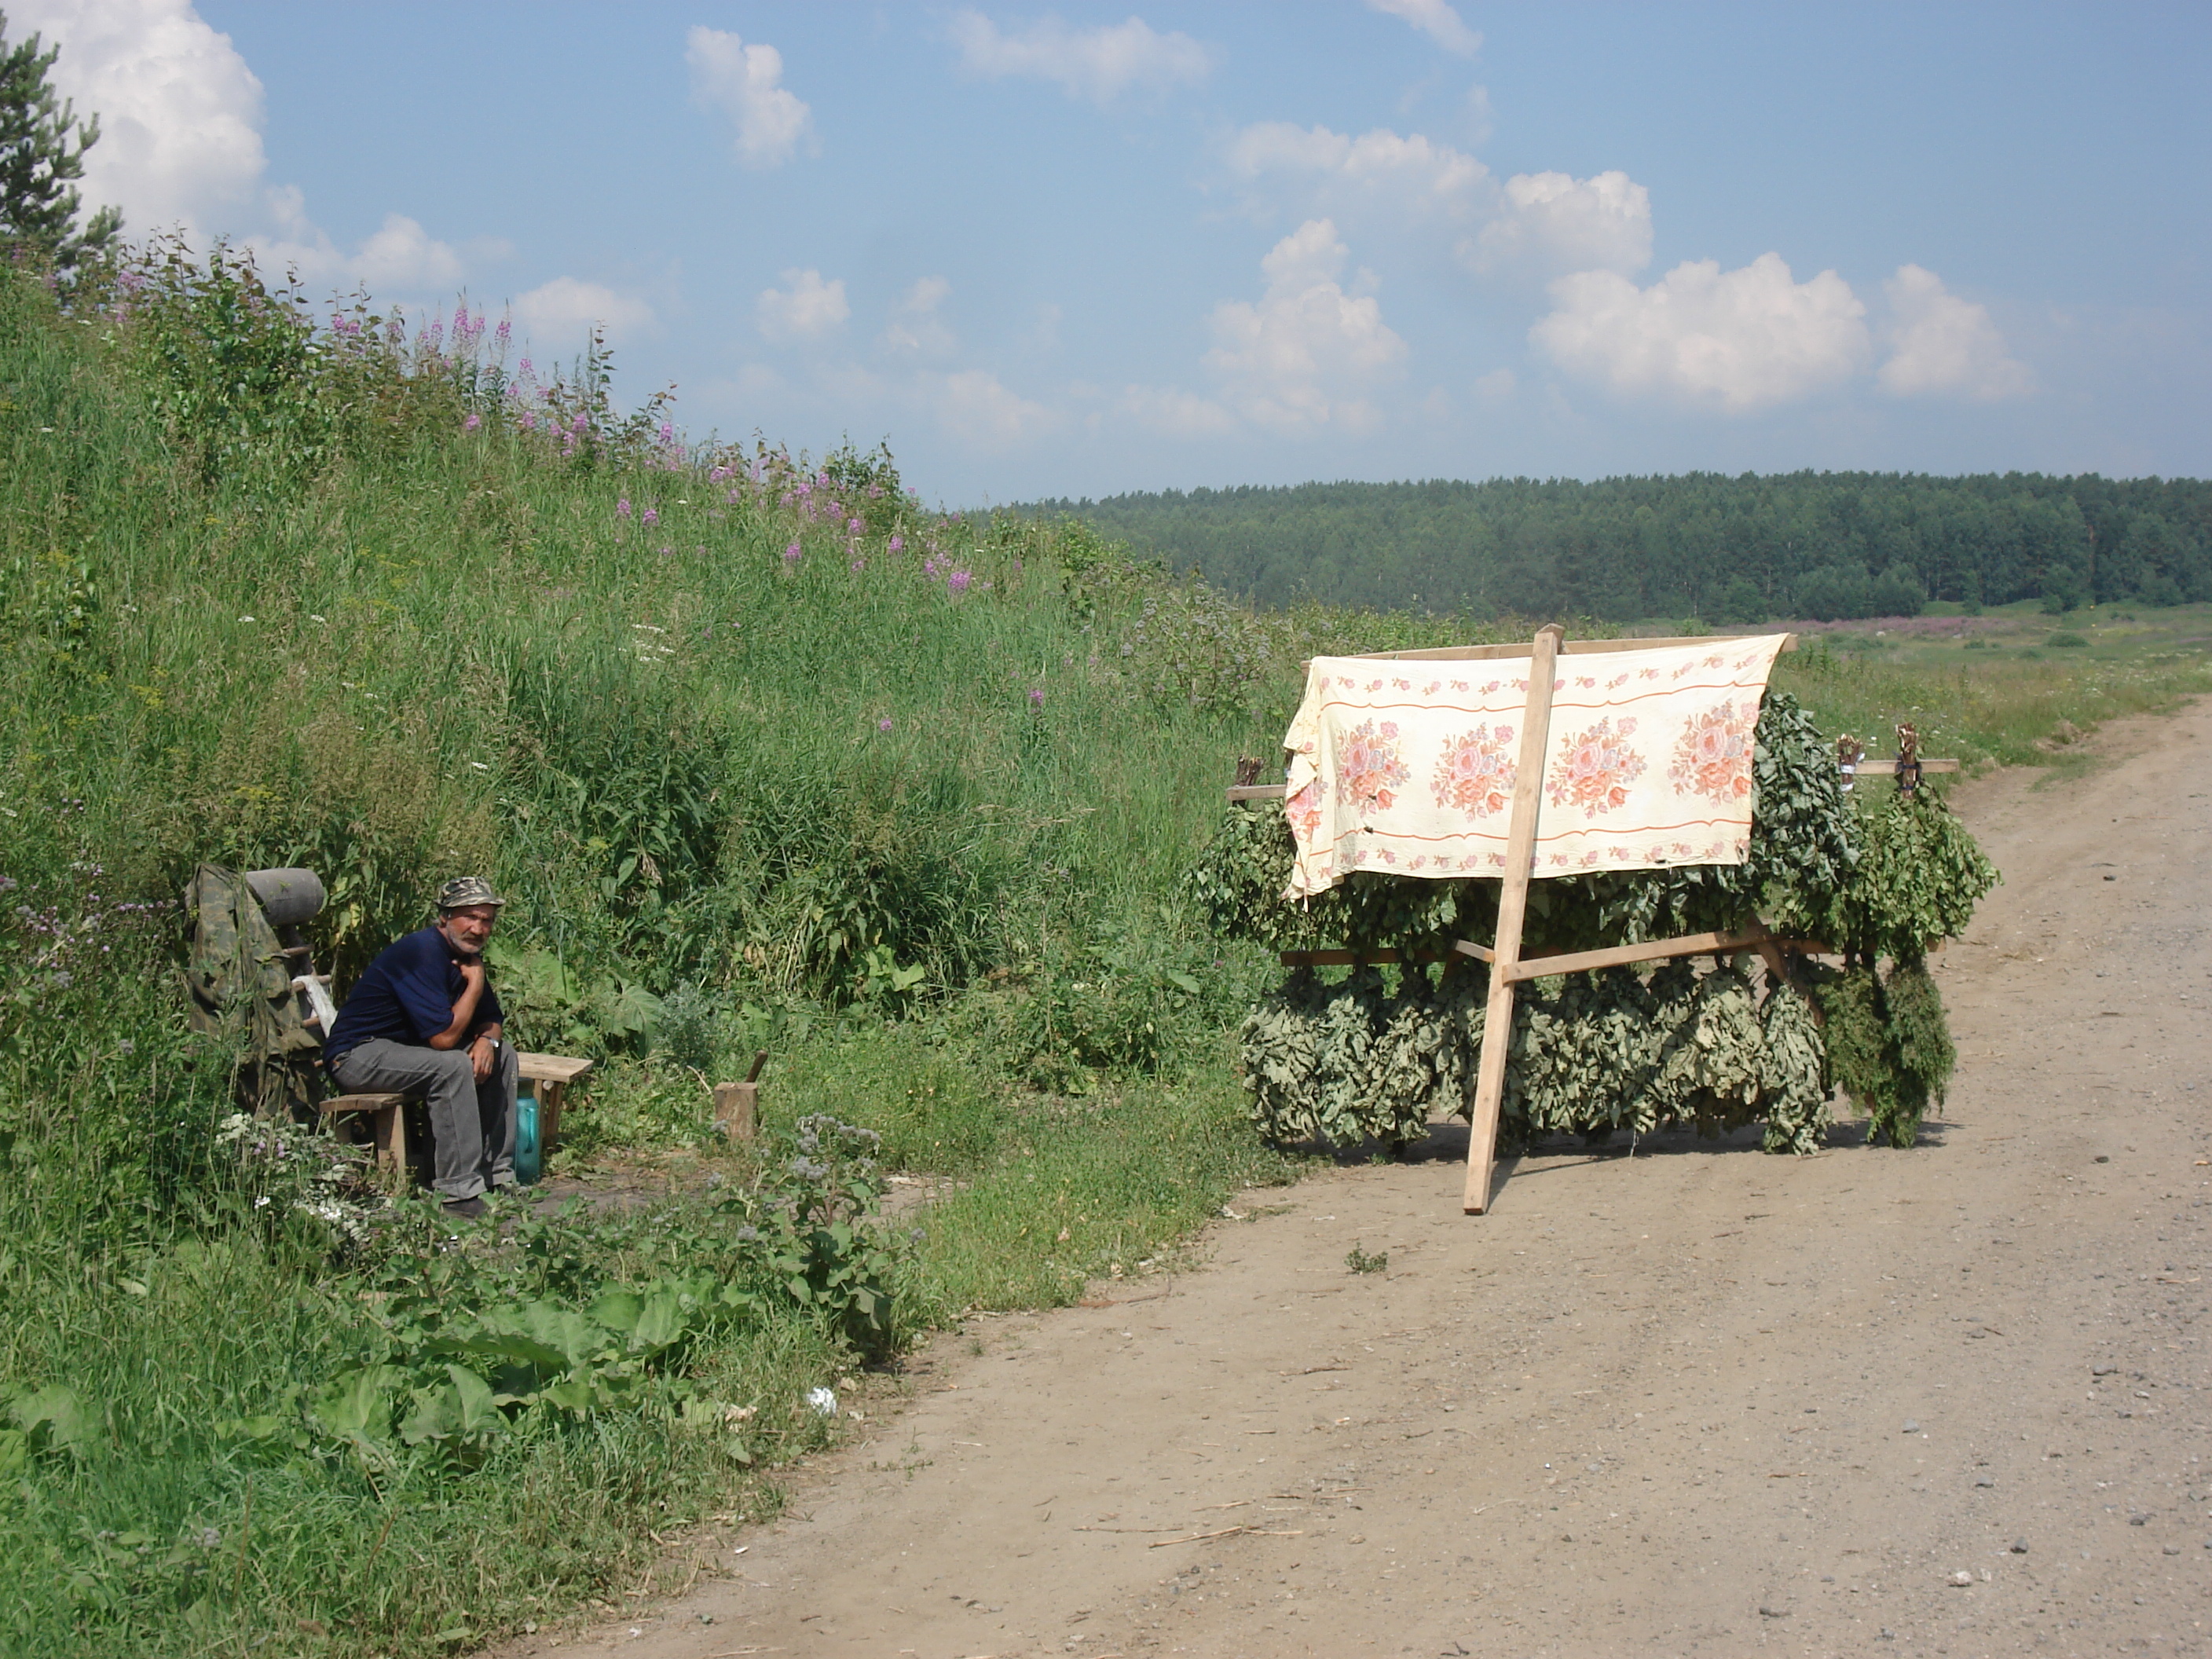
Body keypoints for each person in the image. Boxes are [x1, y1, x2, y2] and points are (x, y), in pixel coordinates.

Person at [324, 877, 518, 1219]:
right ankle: (458, 1194)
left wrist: (489, 1041)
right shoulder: (420, 953)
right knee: (453, 1065)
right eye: (469, 917)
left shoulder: (465, 955)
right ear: (444, 917)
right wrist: (475, 984)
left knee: (503, 1055)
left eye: (486, 919)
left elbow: (492, 1018)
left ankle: (497, 1176)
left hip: (406, 1053)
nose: (478, 928)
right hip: (357, 1056)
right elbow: (443, 1040)